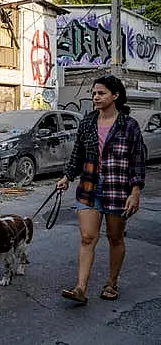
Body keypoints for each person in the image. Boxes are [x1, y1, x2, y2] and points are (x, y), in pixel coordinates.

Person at [57, 75, 146, 304]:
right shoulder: (87, 122)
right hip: (89, 186)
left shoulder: (129, 125)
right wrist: (67, 176)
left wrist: (135, 192)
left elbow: (137, 160)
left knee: (115, 238)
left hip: (118, 189)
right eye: (94, 93)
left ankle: (111, 283)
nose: (96, 97)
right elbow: (78, 153)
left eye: (101, 93)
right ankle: (80, 288)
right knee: (87, 237)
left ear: (115, 96)